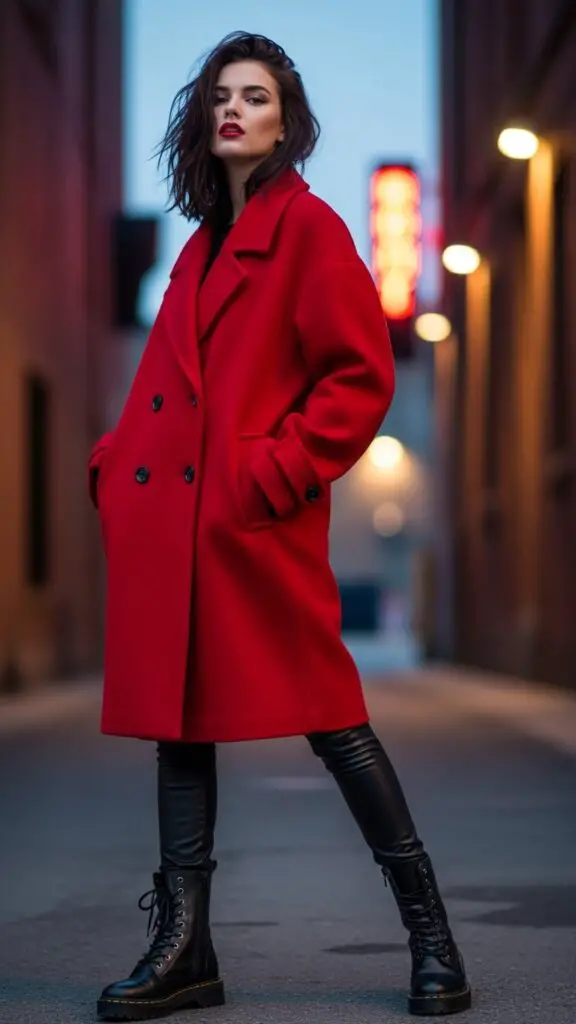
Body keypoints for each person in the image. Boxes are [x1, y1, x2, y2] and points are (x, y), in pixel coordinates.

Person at [90, 31, 471, 1021]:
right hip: (180, 528)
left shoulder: (310, 229)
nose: (232, 110)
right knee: (179, 729)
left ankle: (431, 930)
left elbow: (358, 377)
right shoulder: (200, 246)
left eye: (253, 96)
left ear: (285, 119)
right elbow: (167, 388)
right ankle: (184, 947)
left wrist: (273, 471)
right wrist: (112, 467)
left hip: (253, 526)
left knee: (334, 719)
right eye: (219, 95)